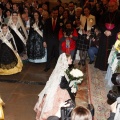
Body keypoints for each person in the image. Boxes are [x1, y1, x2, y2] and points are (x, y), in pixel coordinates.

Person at [34, 53, 73, 120]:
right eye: (70, 59)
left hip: (55, 87)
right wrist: (70, 84)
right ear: (66, 61)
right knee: (58, 104)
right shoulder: (62, 71)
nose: (72, 60)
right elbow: (62, 85)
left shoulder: (60, 68)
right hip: (59, 90)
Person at [95, 0, 120, 71]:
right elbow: (100, 23)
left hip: (114, 35)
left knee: (112, 50)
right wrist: (105, 30)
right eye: (109, 6)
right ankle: (101, 65)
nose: (110, 8)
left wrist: (111, 32)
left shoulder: (119, 14)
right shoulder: (105, 13)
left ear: (116, 6)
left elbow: (119, 26)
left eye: (112, 6)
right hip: (105, 34)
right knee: (102, 49)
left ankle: (110, 68)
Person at [43, 7, 60, 72]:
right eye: (54, 13)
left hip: (57, 41)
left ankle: (57, 67)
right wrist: (44, 41)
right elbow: (44, 32)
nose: (55, 14)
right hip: (49, 41)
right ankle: (47, 66)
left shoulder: (60, 21)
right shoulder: (47, 21)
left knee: (57, 54)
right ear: (51, 13)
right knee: (49, 54)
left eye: (56, 13)